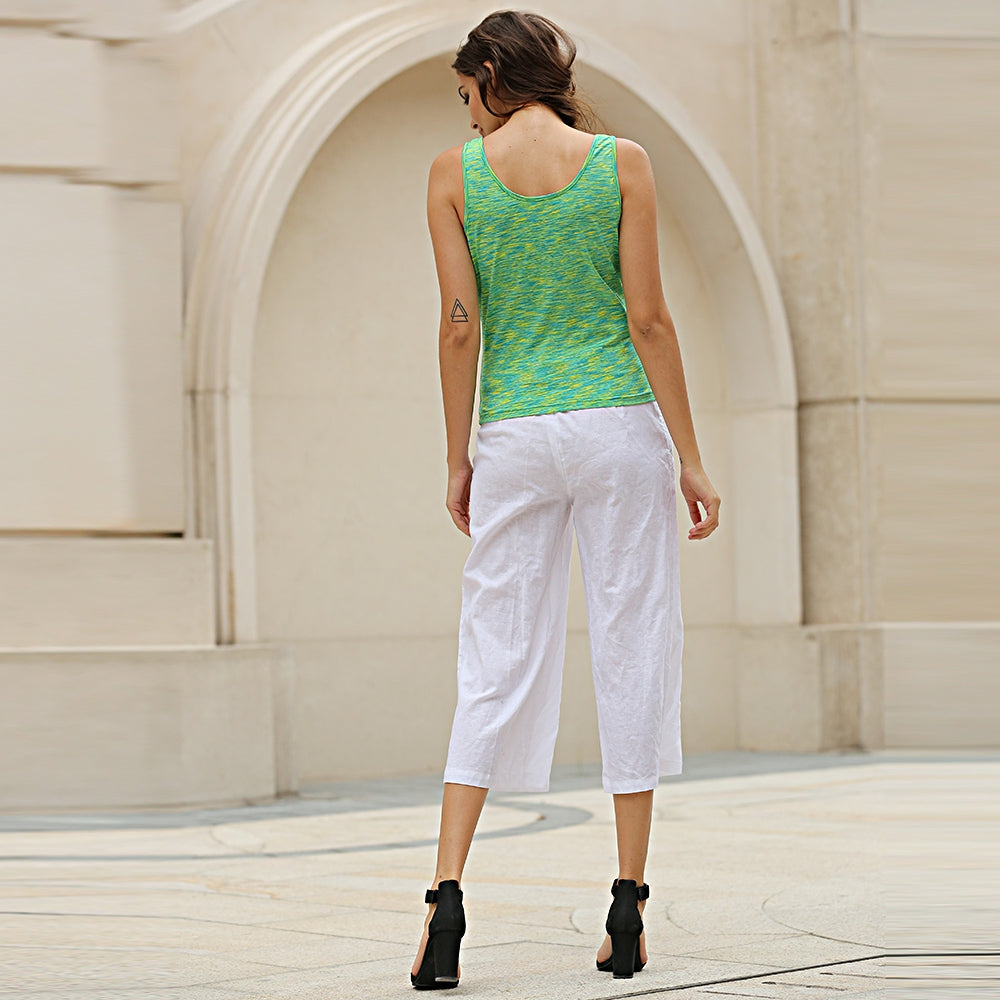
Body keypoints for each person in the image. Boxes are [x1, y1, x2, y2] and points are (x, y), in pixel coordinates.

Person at [413, 9, 721, 990]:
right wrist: (690, 457)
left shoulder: (452, 176)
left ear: (493, 77)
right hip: (619, 427)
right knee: (632, 641)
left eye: (467, 95)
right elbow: (650, 320)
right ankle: (627, 905)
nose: (466, 116)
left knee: (493, 655)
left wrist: (457, 456)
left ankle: (444, 900)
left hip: (513, 433)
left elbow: (458, 326)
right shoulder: (622, 163)